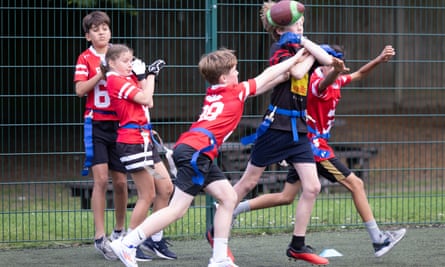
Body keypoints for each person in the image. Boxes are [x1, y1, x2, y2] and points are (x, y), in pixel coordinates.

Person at [108, 47, 306, 267]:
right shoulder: (234, 92)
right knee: (177, 209)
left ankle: (219, 258)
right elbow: (264, 77)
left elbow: (264, 84)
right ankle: (128, 243)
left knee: (229, 198)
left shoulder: (216, 91)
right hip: (197, 153)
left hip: (196, 150)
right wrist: (296, 58)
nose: (238, 74)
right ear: (224, 77)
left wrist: (286, 74)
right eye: (235, 70)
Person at [232, 45, 407, 258]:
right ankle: (379, 240)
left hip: (304, 147)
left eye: (337, 60)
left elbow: (359, 74)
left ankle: (236, 209)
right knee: (356, 184)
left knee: (286, 196)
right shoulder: (316, 83)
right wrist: (334, 69)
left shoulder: (337, 80)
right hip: (315, 148)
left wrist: (379, 59)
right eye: (331, 61)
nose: (335, 64)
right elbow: (325, 82)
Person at [207, 1, 334, 266]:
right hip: (276, 126)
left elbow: (330, 61)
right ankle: (218, 227)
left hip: (298, 128)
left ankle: (297, 245)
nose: (300, 24)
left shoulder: (299, 46)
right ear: (278, 29)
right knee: (248, 182)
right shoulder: (280, 49)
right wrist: (308, 50)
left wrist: (306, 43)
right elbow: (297, 71)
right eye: (294, 22)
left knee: (312, 186)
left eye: (301, 22)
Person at [101, 44, 178, 262]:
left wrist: (144, 76)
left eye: (131, 60)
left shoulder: (129, 78)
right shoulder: (115, 79)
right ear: (112, 63)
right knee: (148, 194)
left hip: (145, 143)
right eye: (125, 61)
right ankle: (129, 244)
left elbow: (148, 101)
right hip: (133, 143)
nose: (130, 64)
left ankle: (154, 238)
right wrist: (151, 75)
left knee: (165, 187)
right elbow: (145, 98)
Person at [74, 11, 128, 261]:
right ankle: (100, 236)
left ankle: (120, 232)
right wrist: (101, 73)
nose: (101, 32)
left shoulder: (120, 55)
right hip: (96, 125)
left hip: (121, 124)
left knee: (120, 181)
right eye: (95, 29)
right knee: (101, 179)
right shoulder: (85, 58)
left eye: (105, 27)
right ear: (88, 36)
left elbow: (133, 83)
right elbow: (80, 90)